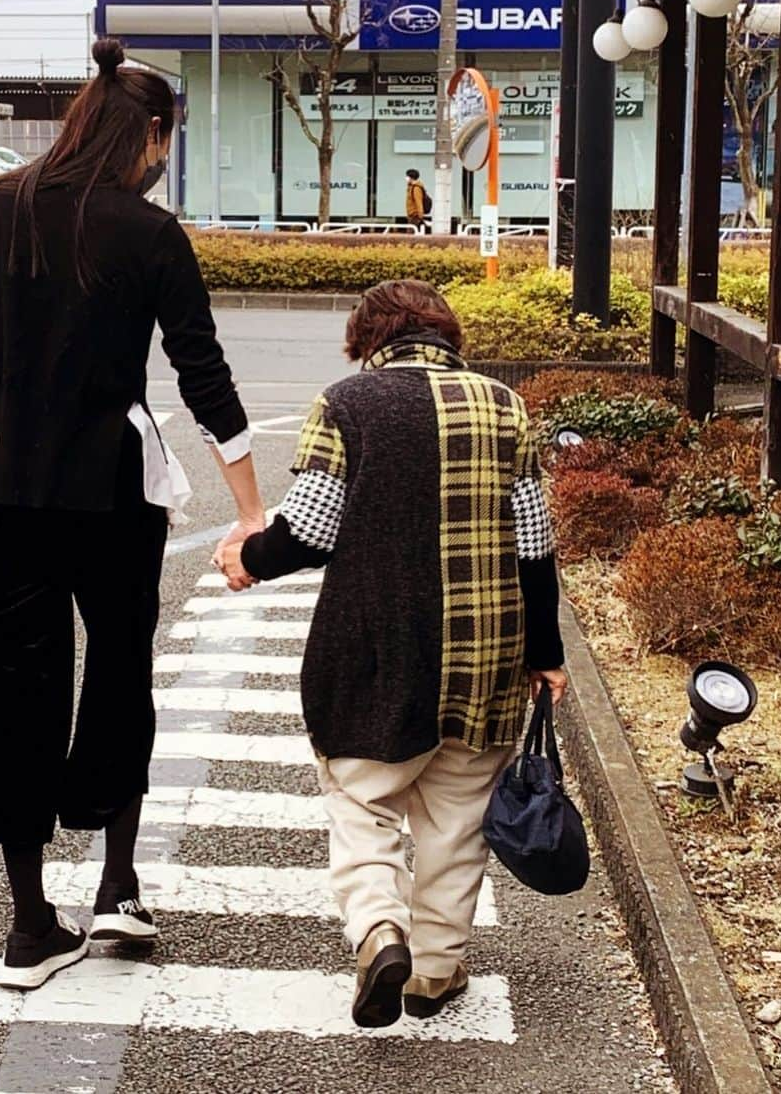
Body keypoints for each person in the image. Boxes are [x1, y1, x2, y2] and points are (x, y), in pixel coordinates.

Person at [0, 37, 264, 992]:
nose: (162, 159)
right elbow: (202, 372)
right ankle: (116, 889)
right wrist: (250, 505)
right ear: (149, 131)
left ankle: (30, 929)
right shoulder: (148, 232)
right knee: (116, 678)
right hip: (112, 491)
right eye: (166, 141)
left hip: (1, 485)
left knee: (11, 691)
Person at [218, 279, 566, 1029]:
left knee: (362, 800)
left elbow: (309, 530)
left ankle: (380, 930)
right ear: (448, 335)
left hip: (377, 646)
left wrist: (250, 554)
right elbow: (534, 545)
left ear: (365, 340)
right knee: (456, 818)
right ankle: (435, 974)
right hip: (487, 649)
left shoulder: (348, 404)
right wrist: (547, 653)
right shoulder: (505, 406)